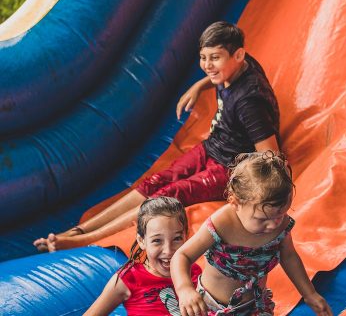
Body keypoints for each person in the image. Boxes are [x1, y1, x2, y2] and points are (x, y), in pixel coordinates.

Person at [33, 21, 281, 252]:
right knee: (155, 181)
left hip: (229, 167)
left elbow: (271, 155)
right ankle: (79, 230)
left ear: (237, 55)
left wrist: (248, 191)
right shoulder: (237, 64)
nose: (207, 65)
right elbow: (217, 70)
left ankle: (84, 240)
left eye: (214, 58)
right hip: (214, 145)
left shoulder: (249, 102)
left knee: (168, 194)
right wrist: (199, 85)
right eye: (203, 58)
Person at [170, 151, 333, 316]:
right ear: (235, 202)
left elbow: (289, 256)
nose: (273, 224)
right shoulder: (222, 223)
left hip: (254, 307)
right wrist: (184, 290)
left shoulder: (280, 225)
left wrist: (309, 294)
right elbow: (182, 256)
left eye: (281, 215)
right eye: (262, 219)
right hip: (212, 307)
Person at [83, 196, 201, 316]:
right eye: (157, 240)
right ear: (141, 241)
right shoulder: (129, 278)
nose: (168, 250)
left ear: (186, 236)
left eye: (177, 239)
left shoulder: (193, 271)